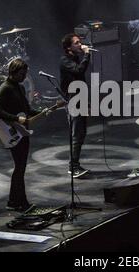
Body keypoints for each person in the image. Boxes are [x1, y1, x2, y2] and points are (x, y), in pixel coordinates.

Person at [0, 58, 39, 212]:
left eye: (25, 74)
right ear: (13, 72)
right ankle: (20, 202)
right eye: (21, 73)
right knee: (19, 167)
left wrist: (45, 111)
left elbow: (27, 110)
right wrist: (16, 118)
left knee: (21, 167)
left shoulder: (19, 88)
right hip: (12, 131)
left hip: (22, 131)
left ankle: (14, 201)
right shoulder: (5, 87)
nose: (24, 77)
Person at [60, 33, 91, 178]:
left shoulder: (75, 58)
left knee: (82, 133)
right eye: (77, 43)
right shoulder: (65, 60)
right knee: (76, 135)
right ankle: (73, 167)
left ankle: (76, 164)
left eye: (80, 42)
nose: (80, 44)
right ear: (68, 47)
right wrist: (87, 55)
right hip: (73, 101)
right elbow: (79, 70)